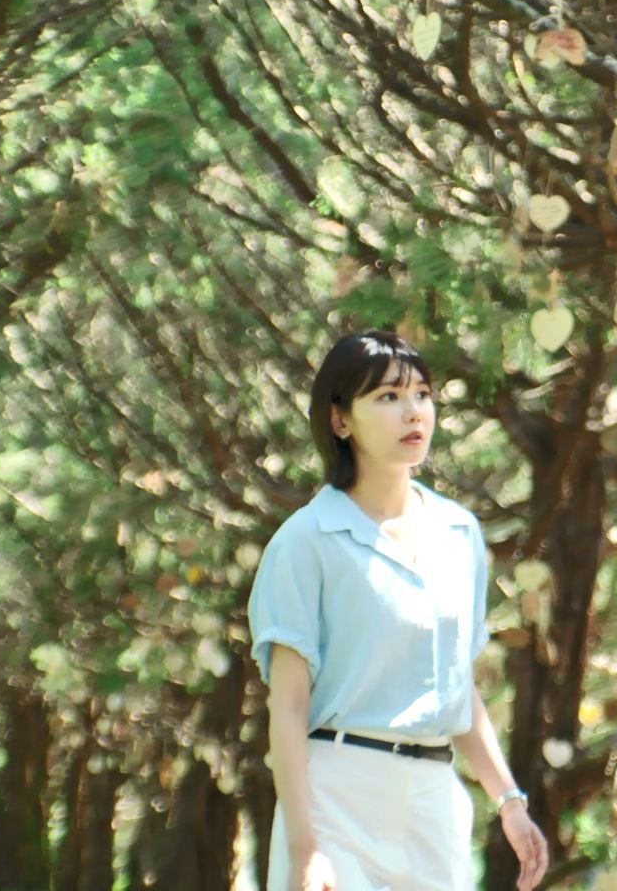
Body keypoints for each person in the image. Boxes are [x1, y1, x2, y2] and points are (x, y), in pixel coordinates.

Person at [249, 330, 549, 891]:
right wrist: (305, 848)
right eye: (388, 396)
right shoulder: (305, 541)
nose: (413, 412)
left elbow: (457, 689)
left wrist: (509, 801)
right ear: (340, 420)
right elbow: (287, 708)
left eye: (422, 394)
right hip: (336, 798)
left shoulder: (460, 532)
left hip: (435, 806)